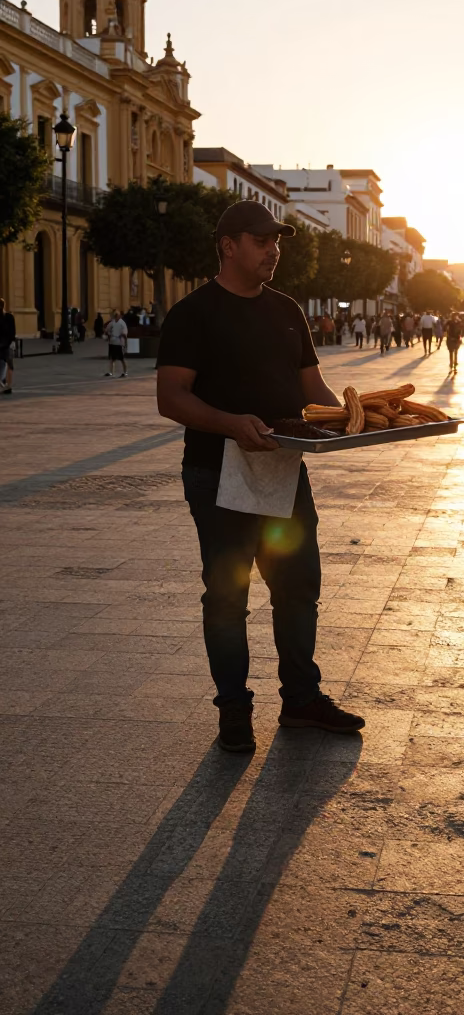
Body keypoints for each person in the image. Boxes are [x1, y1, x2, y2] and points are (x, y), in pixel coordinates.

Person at [156, 198, 364, 751]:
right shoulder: (193, 313)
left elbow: (311, 390)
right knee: (226, 596)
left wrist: (350, 418)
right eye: (263, 240)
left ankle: (300, 701)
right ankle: (233, 711)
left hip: (282, 470)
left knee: (298, 589)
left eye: (277, 241)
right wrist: (229, 423)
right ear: (229, 246)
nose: (274, 250)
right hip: (216, 471)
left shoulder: (287, 310)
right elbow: (170, 396)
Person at [104, 309, 128, 377]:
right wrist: (108, 334)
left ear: (119, 316)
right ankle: (111, 372)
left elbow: (124, 334)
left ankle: (125, 372)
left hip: (119, 343)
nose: (115, 316)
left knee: (122, 359)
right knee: (112, 358)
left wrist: (125, 344)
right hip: (112, 342)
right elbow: (106, 330)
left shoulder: (122, 323)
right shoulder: (112, 322)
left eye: (117, 315)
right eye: (115, 315)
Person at [0, 299, 16, 394]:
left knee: (8, 365)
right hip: (8, 344)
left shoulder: (8, 317)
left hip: (6, 344)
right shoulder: (10, 317)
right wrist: (12, 341)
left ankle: (6, 385)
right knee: (9, 365)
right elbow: (13, 331)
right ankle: (7, 386)